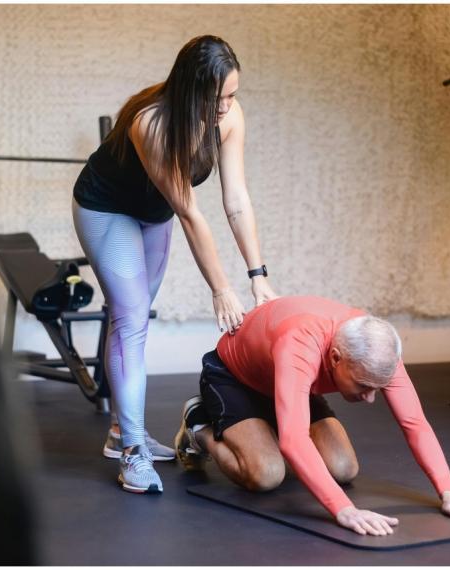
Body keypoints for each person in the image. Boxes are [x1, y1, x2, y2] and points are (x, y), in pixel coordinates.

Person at [72, 36, 277, 494]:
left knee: (132, 317)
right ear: (190, 91)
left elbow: (236, 200)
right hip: (107, 209)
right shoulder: (153, 123)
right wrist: (221, 288)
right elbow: (190, 213)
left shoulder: (229, 116)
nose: (226, 106)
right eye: (217, 97)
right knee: (130, 320)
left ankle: (120, 432)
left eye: (233, 95)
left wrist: (257, 276)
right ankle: (132, 453)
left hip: (152, 214)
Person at [174, 295, 450, 536]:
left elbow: (414, 423)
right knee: (266, 473)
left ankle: (264, 424)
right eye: (363, 386)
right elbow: (293, 440)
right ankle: (199, 425)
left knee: (343, 468)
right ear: (335, 357)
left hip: (287, 383)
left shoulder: (378, 350)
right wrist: (343, 509)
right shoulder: (300, 344)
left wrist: (448, 492)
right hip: (234, 377)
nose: (372, 398)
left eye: (378, 387)